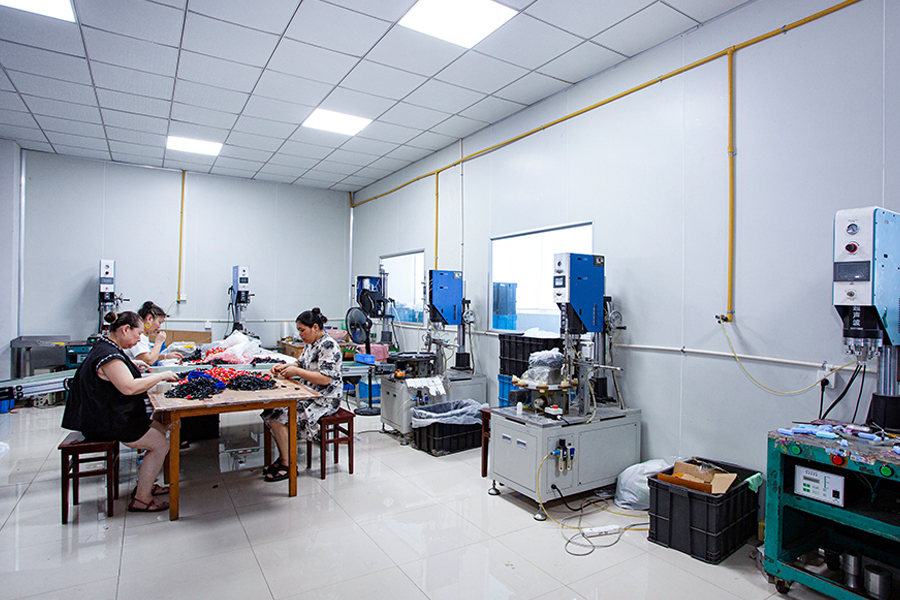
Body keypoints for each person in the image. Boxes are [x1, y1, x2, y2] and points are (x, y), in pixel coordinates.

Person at [62, 311, 178, 512]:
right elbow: (129, 387)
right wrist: (161, 376)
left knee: (161, 428)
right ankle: (142, 499)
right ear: (125, 330)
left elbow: (115, 374)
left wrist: (132, 364)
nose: (140, 338)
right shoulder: (109, 357)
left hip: (107, 414)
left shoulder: (105, 347)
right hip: (106, 421)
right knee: (161, 444)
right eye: (138, 333)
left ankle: (146, 483)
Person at [261, 308, 342, 482]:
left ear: (315, 327)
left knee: (279, 416)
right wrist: (283, 367)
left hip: (325, 398)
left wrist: (297, 372)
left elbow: (325, 379)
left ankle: (288, 464)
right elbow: (300, 363)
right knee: (271, 411)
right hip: (310, 392)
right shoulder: (311, 344)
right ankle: (285, 456)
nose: (300, 334)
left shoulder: (328, 345)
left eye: (302, 330)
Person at [126, 301, 183, 367]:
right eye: (159, 322)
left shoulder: (143, 336)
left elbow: (149, 356)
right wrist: (159, 342)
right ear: (149, 318)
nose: (159, 327)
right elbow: (149, 360)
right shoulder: (138, 336)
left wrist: (166, 356)